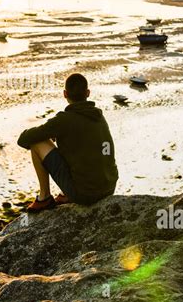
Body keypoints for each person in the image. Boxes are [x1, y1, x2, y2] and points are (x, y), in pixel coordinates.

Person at [17, 73, 118, 212]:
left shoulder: (64, 120)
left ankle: (44, 197)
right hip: (109, 188)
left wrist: (51, 134)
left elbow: (23, 140)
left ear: (65, 94)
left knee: (37, 142)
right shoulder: (99, 117)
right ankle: (66, 194)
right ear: (88, 93)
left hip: (84, 195)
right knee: (82, 148)